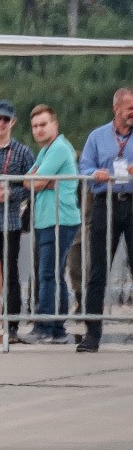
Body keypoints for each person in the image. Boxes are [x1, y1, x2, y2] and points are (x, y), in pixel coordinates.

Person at [75, 87, 133, 353]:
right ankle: (92, 334)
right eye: (130, 108)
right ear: (116, 109)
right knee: (98, 271)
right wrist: (95, 173)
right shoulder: (97, 137)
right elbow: (84, 166)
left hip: (131, 203)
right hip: (105, 204)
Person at [23, 104, 82, 343]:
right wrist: (40, 180)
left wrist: (39, 181)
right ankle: (57, 329)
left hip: (60, 218)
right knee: (53, 273)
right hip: (47, 217)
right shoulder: (46, 150)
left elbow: (35, 182)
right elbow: (27, 180)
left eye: (43, 124)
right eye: (35, 126)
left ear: (54, 125)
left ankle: (45, 326)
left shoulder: (58, 148)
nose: (39, 130)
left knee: (48, 273)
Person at [0, 100, 35, 344]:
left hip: (11, 219)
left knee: (10, 271)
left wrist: (11, 193)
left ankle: (12, 323)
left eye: (6, 120)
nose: (1, 124)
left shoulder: (23, 152)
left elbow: (32, 184)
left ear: (13, 122)